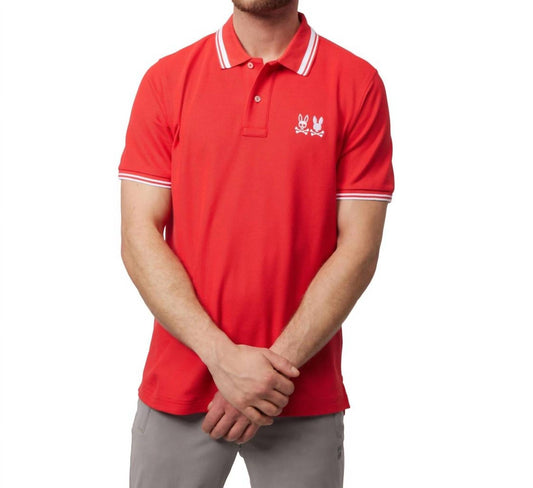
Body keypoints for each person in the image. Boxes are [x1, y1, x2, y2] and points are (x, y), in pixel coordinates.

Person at [118, 0, 395, 486]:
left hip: (300, 395)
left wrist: (268, 376)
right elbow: (138, 237)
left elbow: (359, 249)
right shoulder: (167, 79)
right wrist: (223, 359)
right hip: (181, 390)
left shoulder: (356, 83)